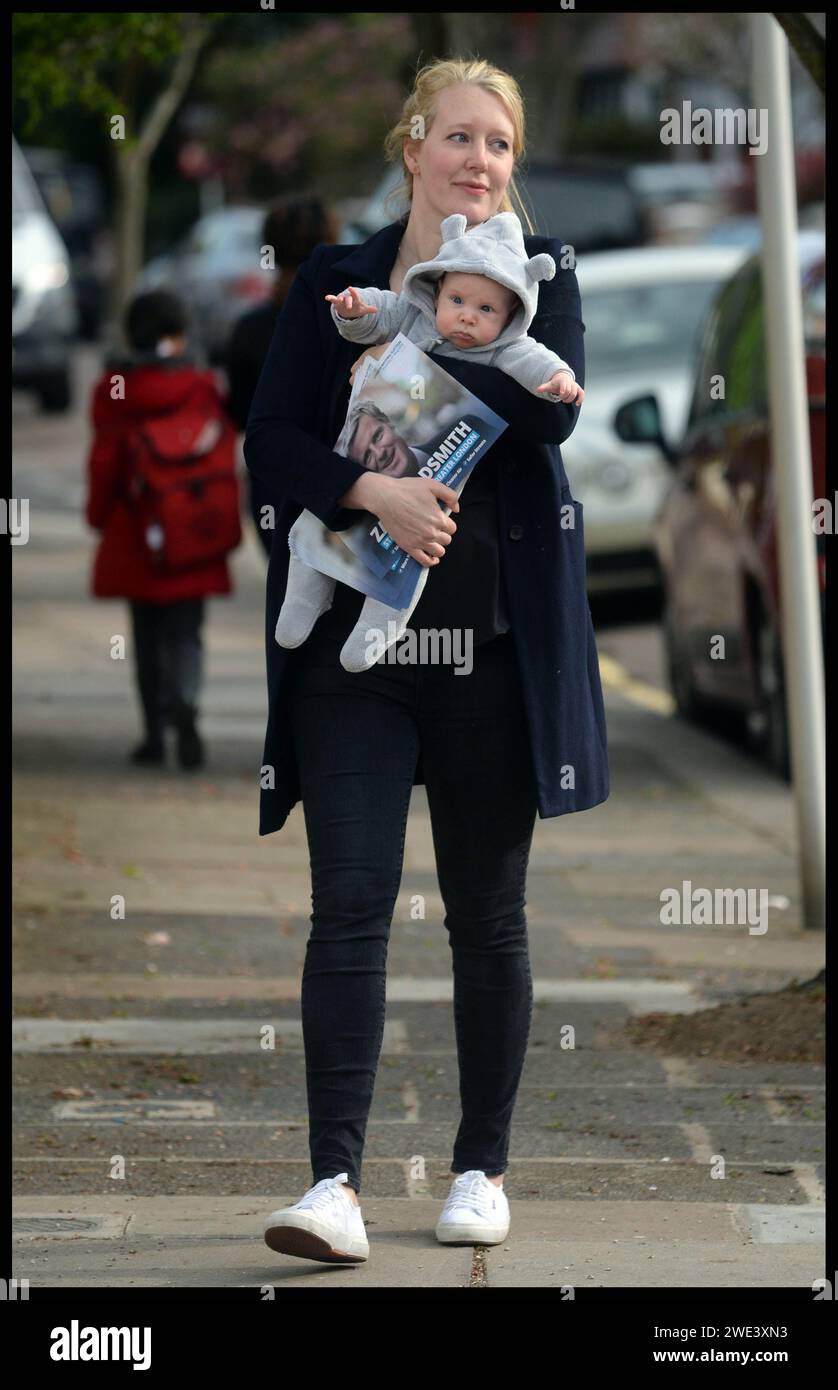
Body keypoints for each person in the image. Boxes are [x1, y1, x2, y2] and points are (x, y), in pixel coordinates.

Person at [245, 57, 610, 1266]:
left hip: (491, 655)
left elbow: (550, 416)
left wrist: (467, 316)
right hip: (358, 653)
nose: (480, 161)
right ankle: (333, 1184)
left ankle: (478, 1170)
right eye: (458, 137)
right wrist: (371, 492)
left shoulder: (541, 278)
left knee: (485, 919)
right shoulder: (339, 284)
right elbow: (271, 442)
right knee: (347, 906)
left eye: (499, 145)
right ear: (412, 147)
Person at [276, 209, 586, 670]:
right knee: (320, 525)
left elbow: (540, 361)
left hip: (433, 475)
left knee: (410, 551)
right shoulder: (416, 317)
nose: (466, 318)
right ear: (436, 291)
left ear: (509, 317)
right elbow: (377, 310)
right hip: (365, 453)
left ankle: (381, 623)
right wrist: (354, 310)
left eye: (486, 310)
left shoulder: (505, 349)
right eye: (457, 299)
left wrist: (561, 378)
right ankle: (305, 598)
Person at [84, 290, 235, 769]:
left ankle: (154, 733)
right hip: (192, 526)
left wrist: (98, 512)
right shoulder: (201, 384)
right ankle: (187, 704)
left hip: (137, 526)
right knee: (188, 631)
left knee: (145, 635)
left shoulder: (115, 389)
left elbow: (105, 458)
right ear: (179, 334)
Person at [225, 194, 340, 559]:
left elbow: (240, 413)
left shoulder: (250, 328)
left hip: (272, 484)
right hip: (343, 479)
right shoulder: (354, 319)